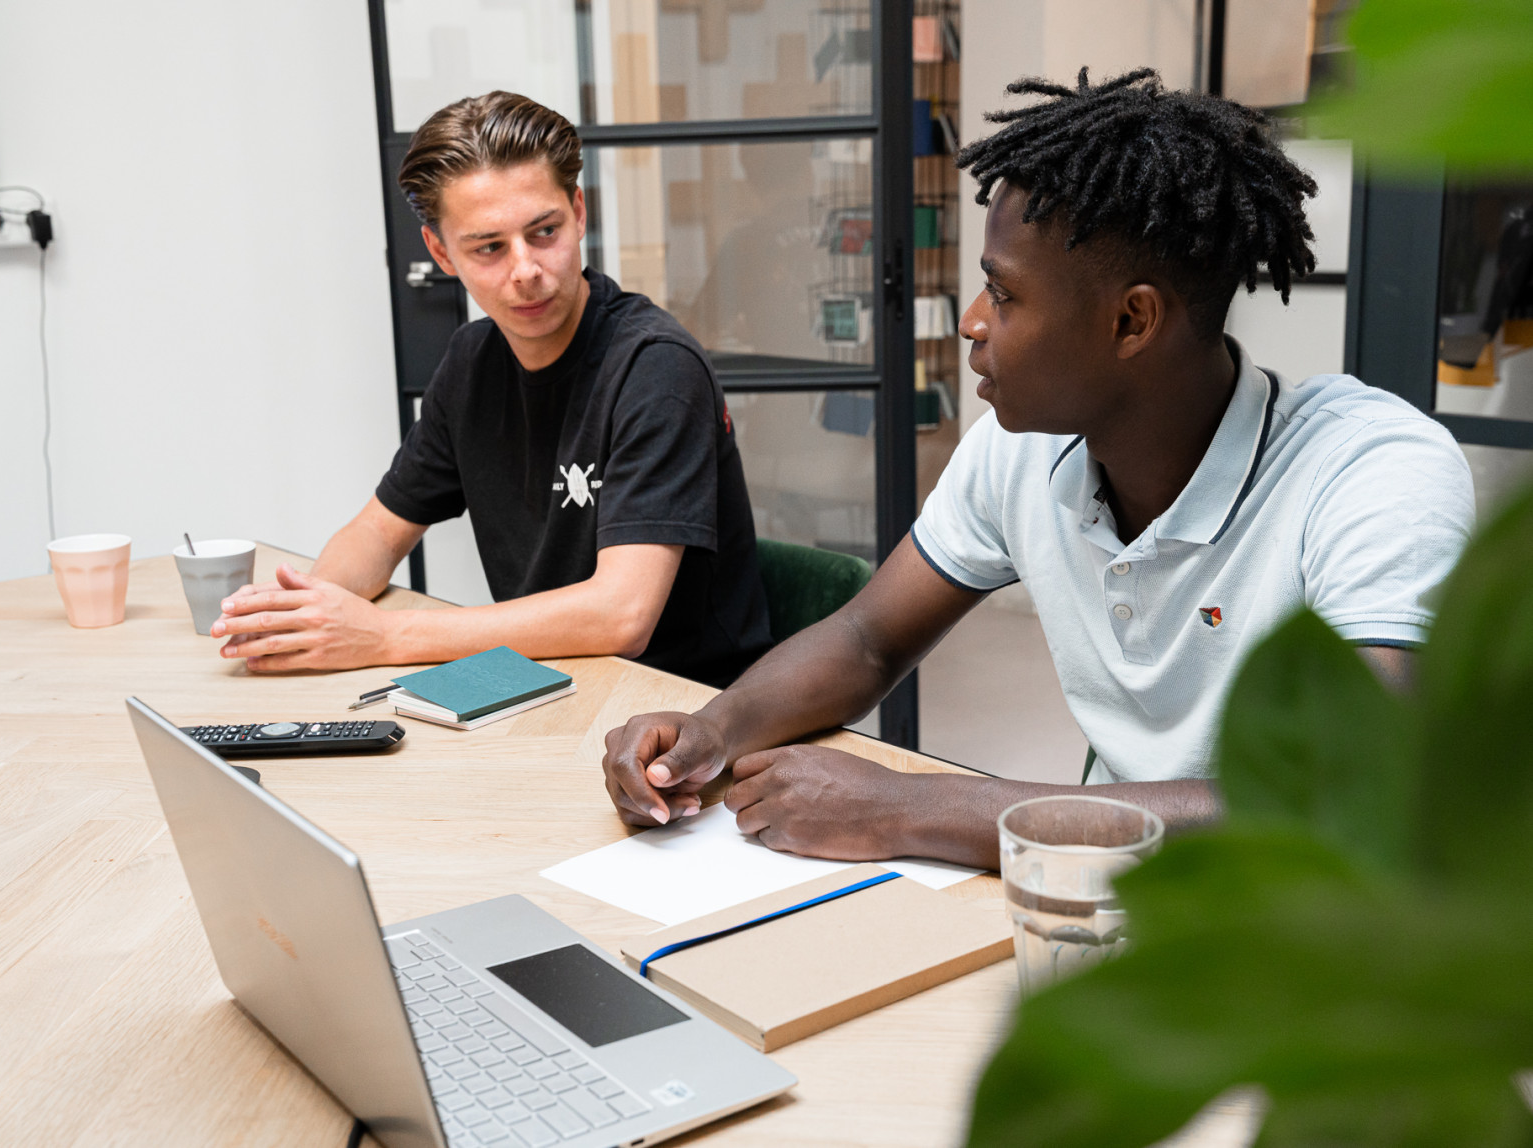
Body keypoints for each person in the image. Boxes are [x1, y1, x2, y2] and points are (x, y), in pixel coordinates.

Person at [599, 69, 1475, 866]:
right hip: (1106, 902)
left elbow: (1348, 797)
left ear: (1132, 323)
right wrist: (708, 732)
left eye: (1006, 294)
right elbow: (868, 639)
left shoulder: (1372, 472)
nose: (973, 321)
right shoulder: (1021, 448)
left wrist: (912, 809)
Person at [211, 92, 772, 687]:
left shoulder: (656, 367)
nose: (526, 270)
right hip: (543, 682)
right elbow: (378, 531)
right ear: (440, 252)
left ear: (579, 213)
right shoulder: (471, 361)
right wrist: (310, 611)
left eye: (544, 232)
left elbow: (621, 615)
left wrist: (381, 637)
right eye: (489, 248)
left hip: (679, 710)